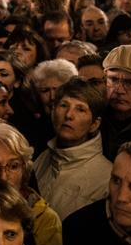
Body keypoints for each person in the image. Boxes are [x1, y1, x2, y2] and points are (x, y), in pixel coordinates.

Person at [34, 78, 111, 220]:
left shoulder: (106, 178)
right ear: (52, 112)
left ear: (94, 124)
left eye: (80, 109)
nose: (69, 115)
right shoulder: (42, 157)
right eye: (64, 105)